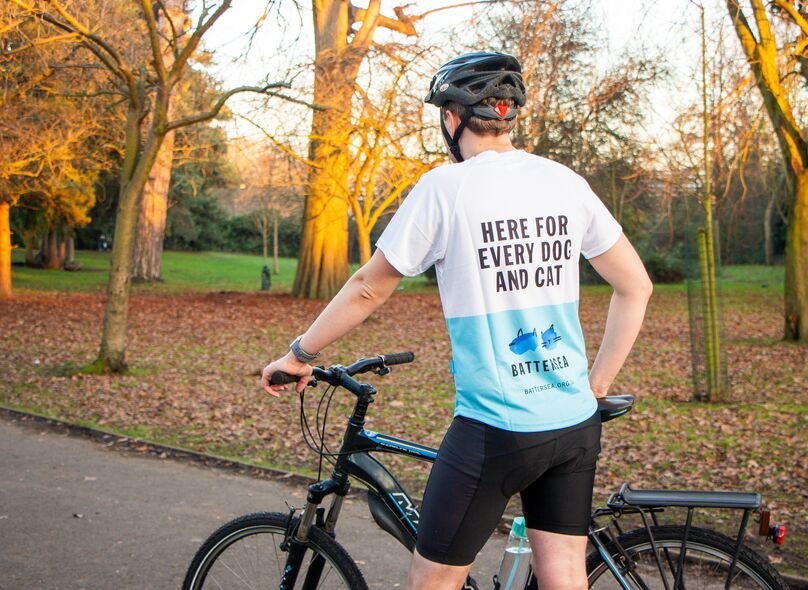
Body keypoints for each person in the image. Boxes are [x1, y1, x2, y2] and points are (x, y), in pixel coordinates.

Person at [262, 51, 652, 590]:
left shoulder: (444, 189)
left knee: (432, 583)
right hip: (573, 424)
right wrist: (596, 385)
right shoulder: (565, 183)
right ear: (506, 114)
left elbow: (369, 286)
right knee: (564, 575)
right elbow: (636, 286)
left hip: (496, 426)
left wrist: (299, 354)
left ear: (452, 117)